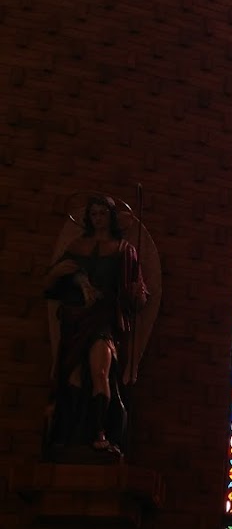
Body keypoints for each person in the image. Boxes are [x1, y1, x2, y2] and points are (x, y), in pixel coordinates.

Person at [44, 195, 147, 456]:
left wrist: (136, 294)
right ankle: (70, 436)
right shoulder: (77, 246)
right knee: (74, 376)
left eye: (103, 213)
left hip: (103, 318)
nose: (98, 219)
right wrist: (59, 274)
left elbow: (137, 296)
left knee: (101, 371)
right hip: (75, 319)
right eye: (94, 214)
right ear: (88, 218)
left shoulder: (124, 250)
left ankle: (100, 432)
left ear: (111, 217)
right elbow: (52, 285)